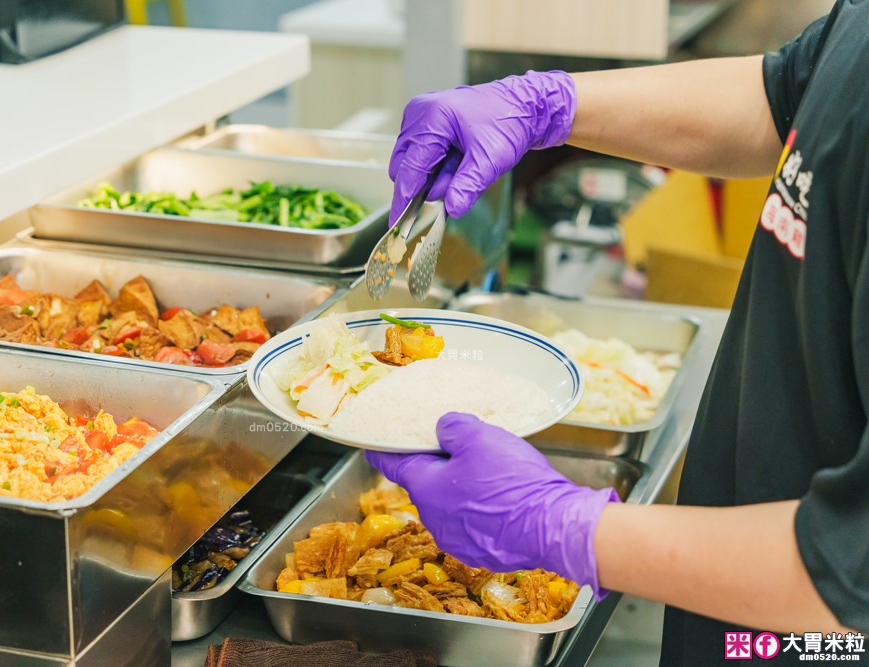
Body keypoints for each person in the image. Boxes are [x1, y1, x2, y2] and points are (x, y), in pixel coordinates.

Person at [367, 2, 869, 664]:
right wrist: (550, 105)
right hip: (741, 602)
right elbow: (786, 93)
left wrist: (564, 528)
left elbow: (849, 563)